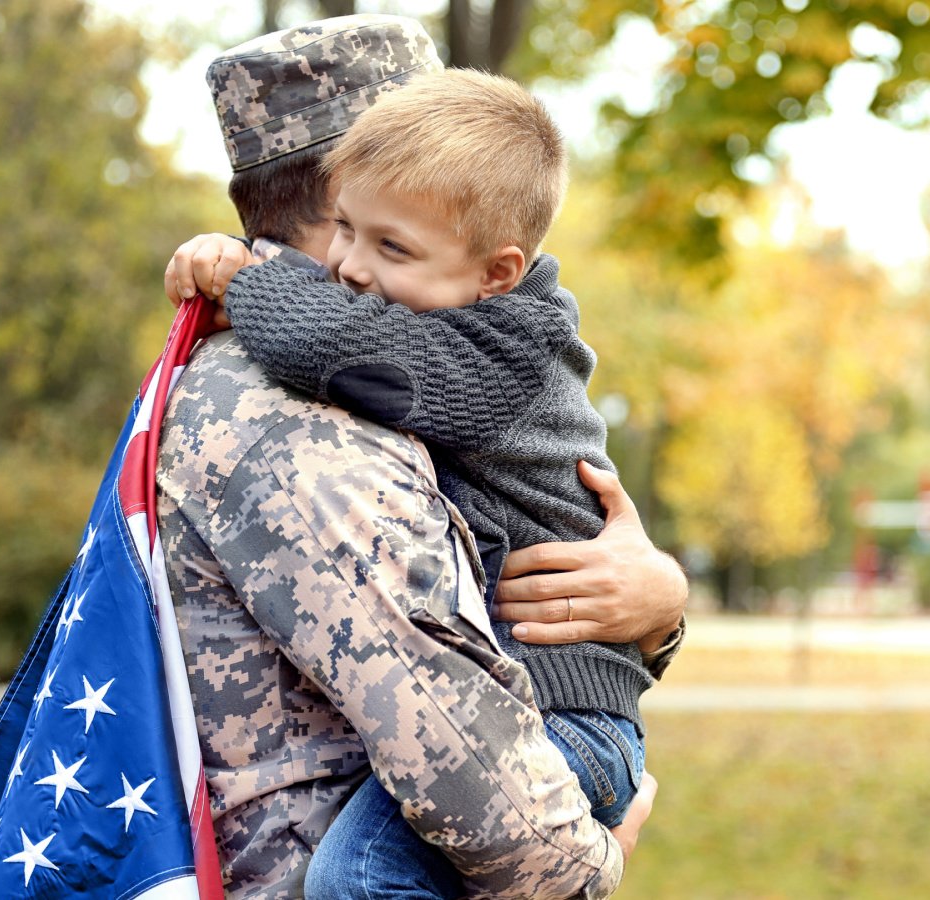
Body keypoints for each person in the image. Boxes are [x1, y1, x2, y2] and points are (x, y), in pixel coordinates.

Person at [157, 15, 687, 897]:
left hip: (569, 708)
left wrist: (663, 602)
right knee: (357, 876)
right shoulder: (294, 414)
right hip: (502, 769)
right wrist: (603, 863)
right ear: (335, 208)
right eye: (356, 236)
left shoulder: (463, 347)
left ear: (495, 267)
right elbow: (482, 789)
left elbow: (368, 358)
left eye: (395, 244)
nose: (361, 271)